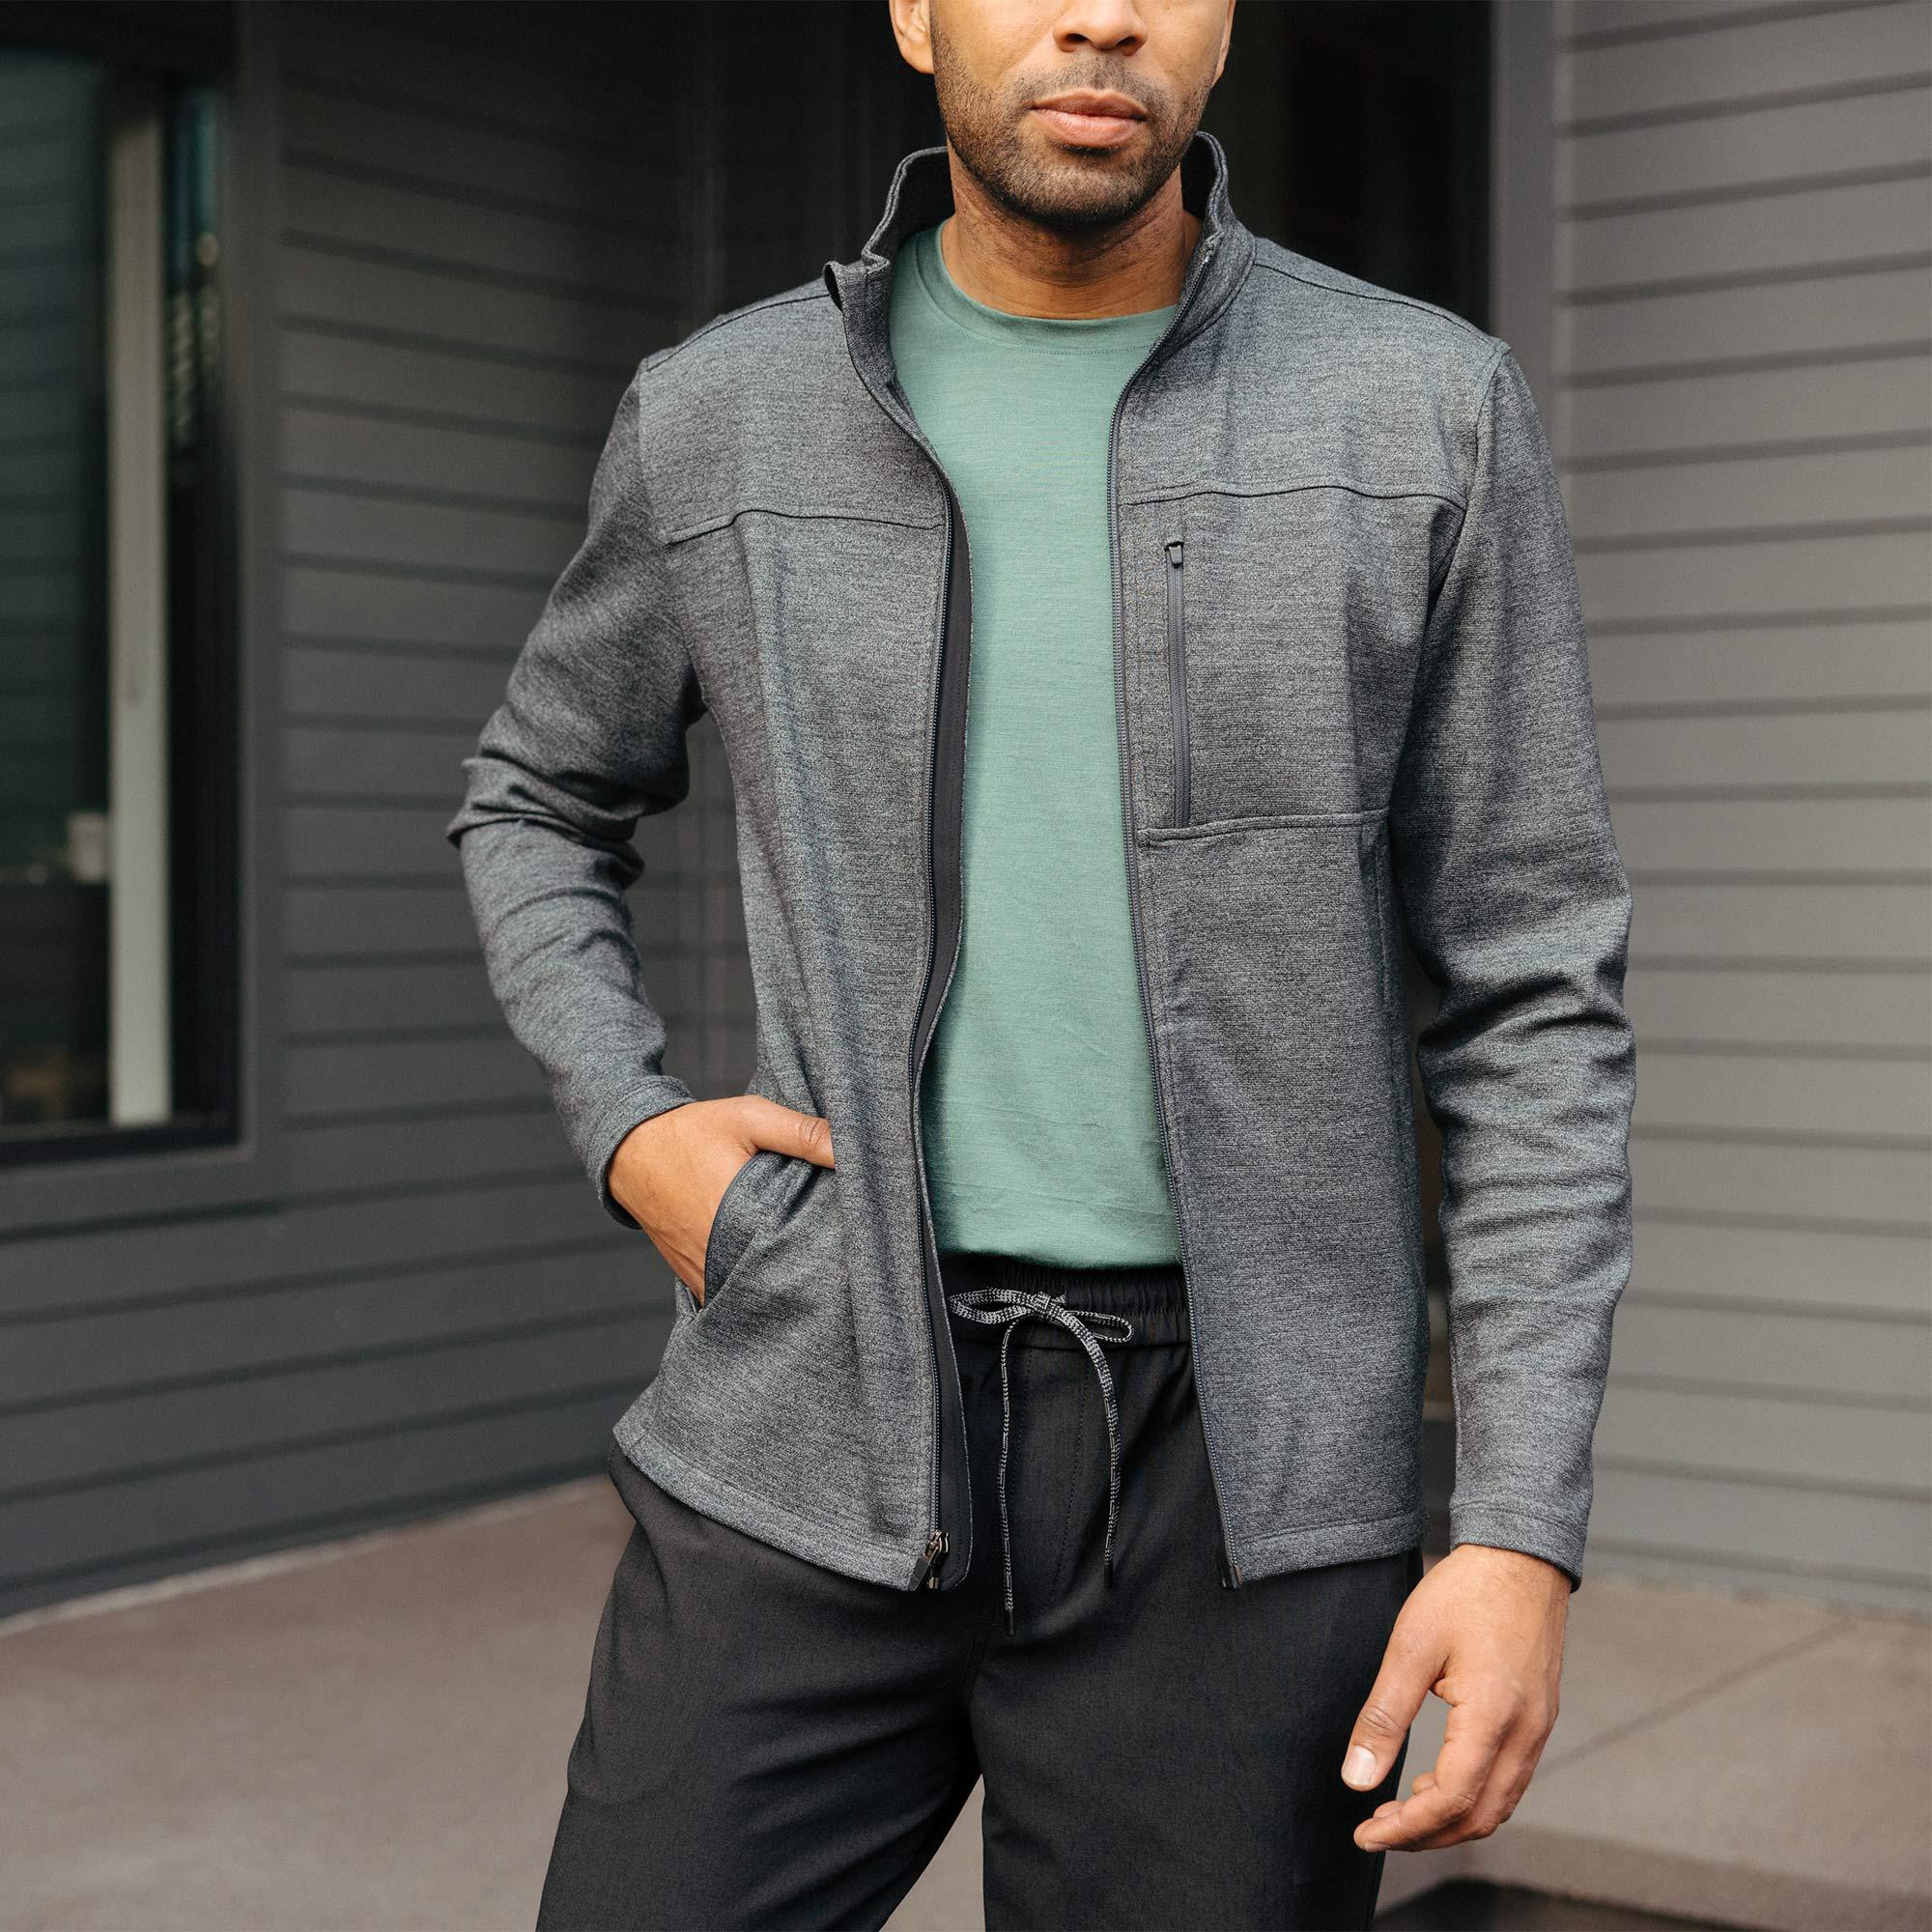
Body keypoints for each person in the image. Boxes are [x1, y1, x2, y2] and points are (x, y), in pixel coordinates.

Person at [444, 0, 1636, 1924]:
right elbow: (534, 794)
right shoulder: (721, 412)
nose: (1101, 13)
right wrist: (630, 1123)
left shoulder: (1420, 409)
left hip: (1246, 1498)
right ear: (914, 12)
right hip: (811, 1407)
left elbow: (1534, 987)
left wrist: (1516, 1526)